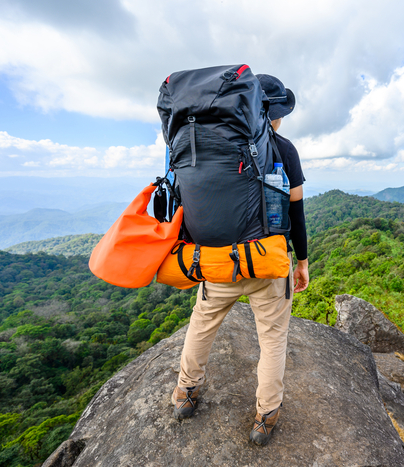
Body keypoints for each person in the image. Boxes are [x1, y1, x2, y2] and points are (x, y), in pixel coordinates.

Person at [171, 74, 309, 447]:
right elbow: (295, 212)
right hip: (265, 263)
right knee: (273, 340)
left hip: (216, 262)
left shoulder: (203, 149)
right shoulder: (283, 149)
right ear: (271, 113)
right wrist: (303, 261)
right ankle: (265, 416)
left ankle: (186, 393)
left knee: (201, 326)